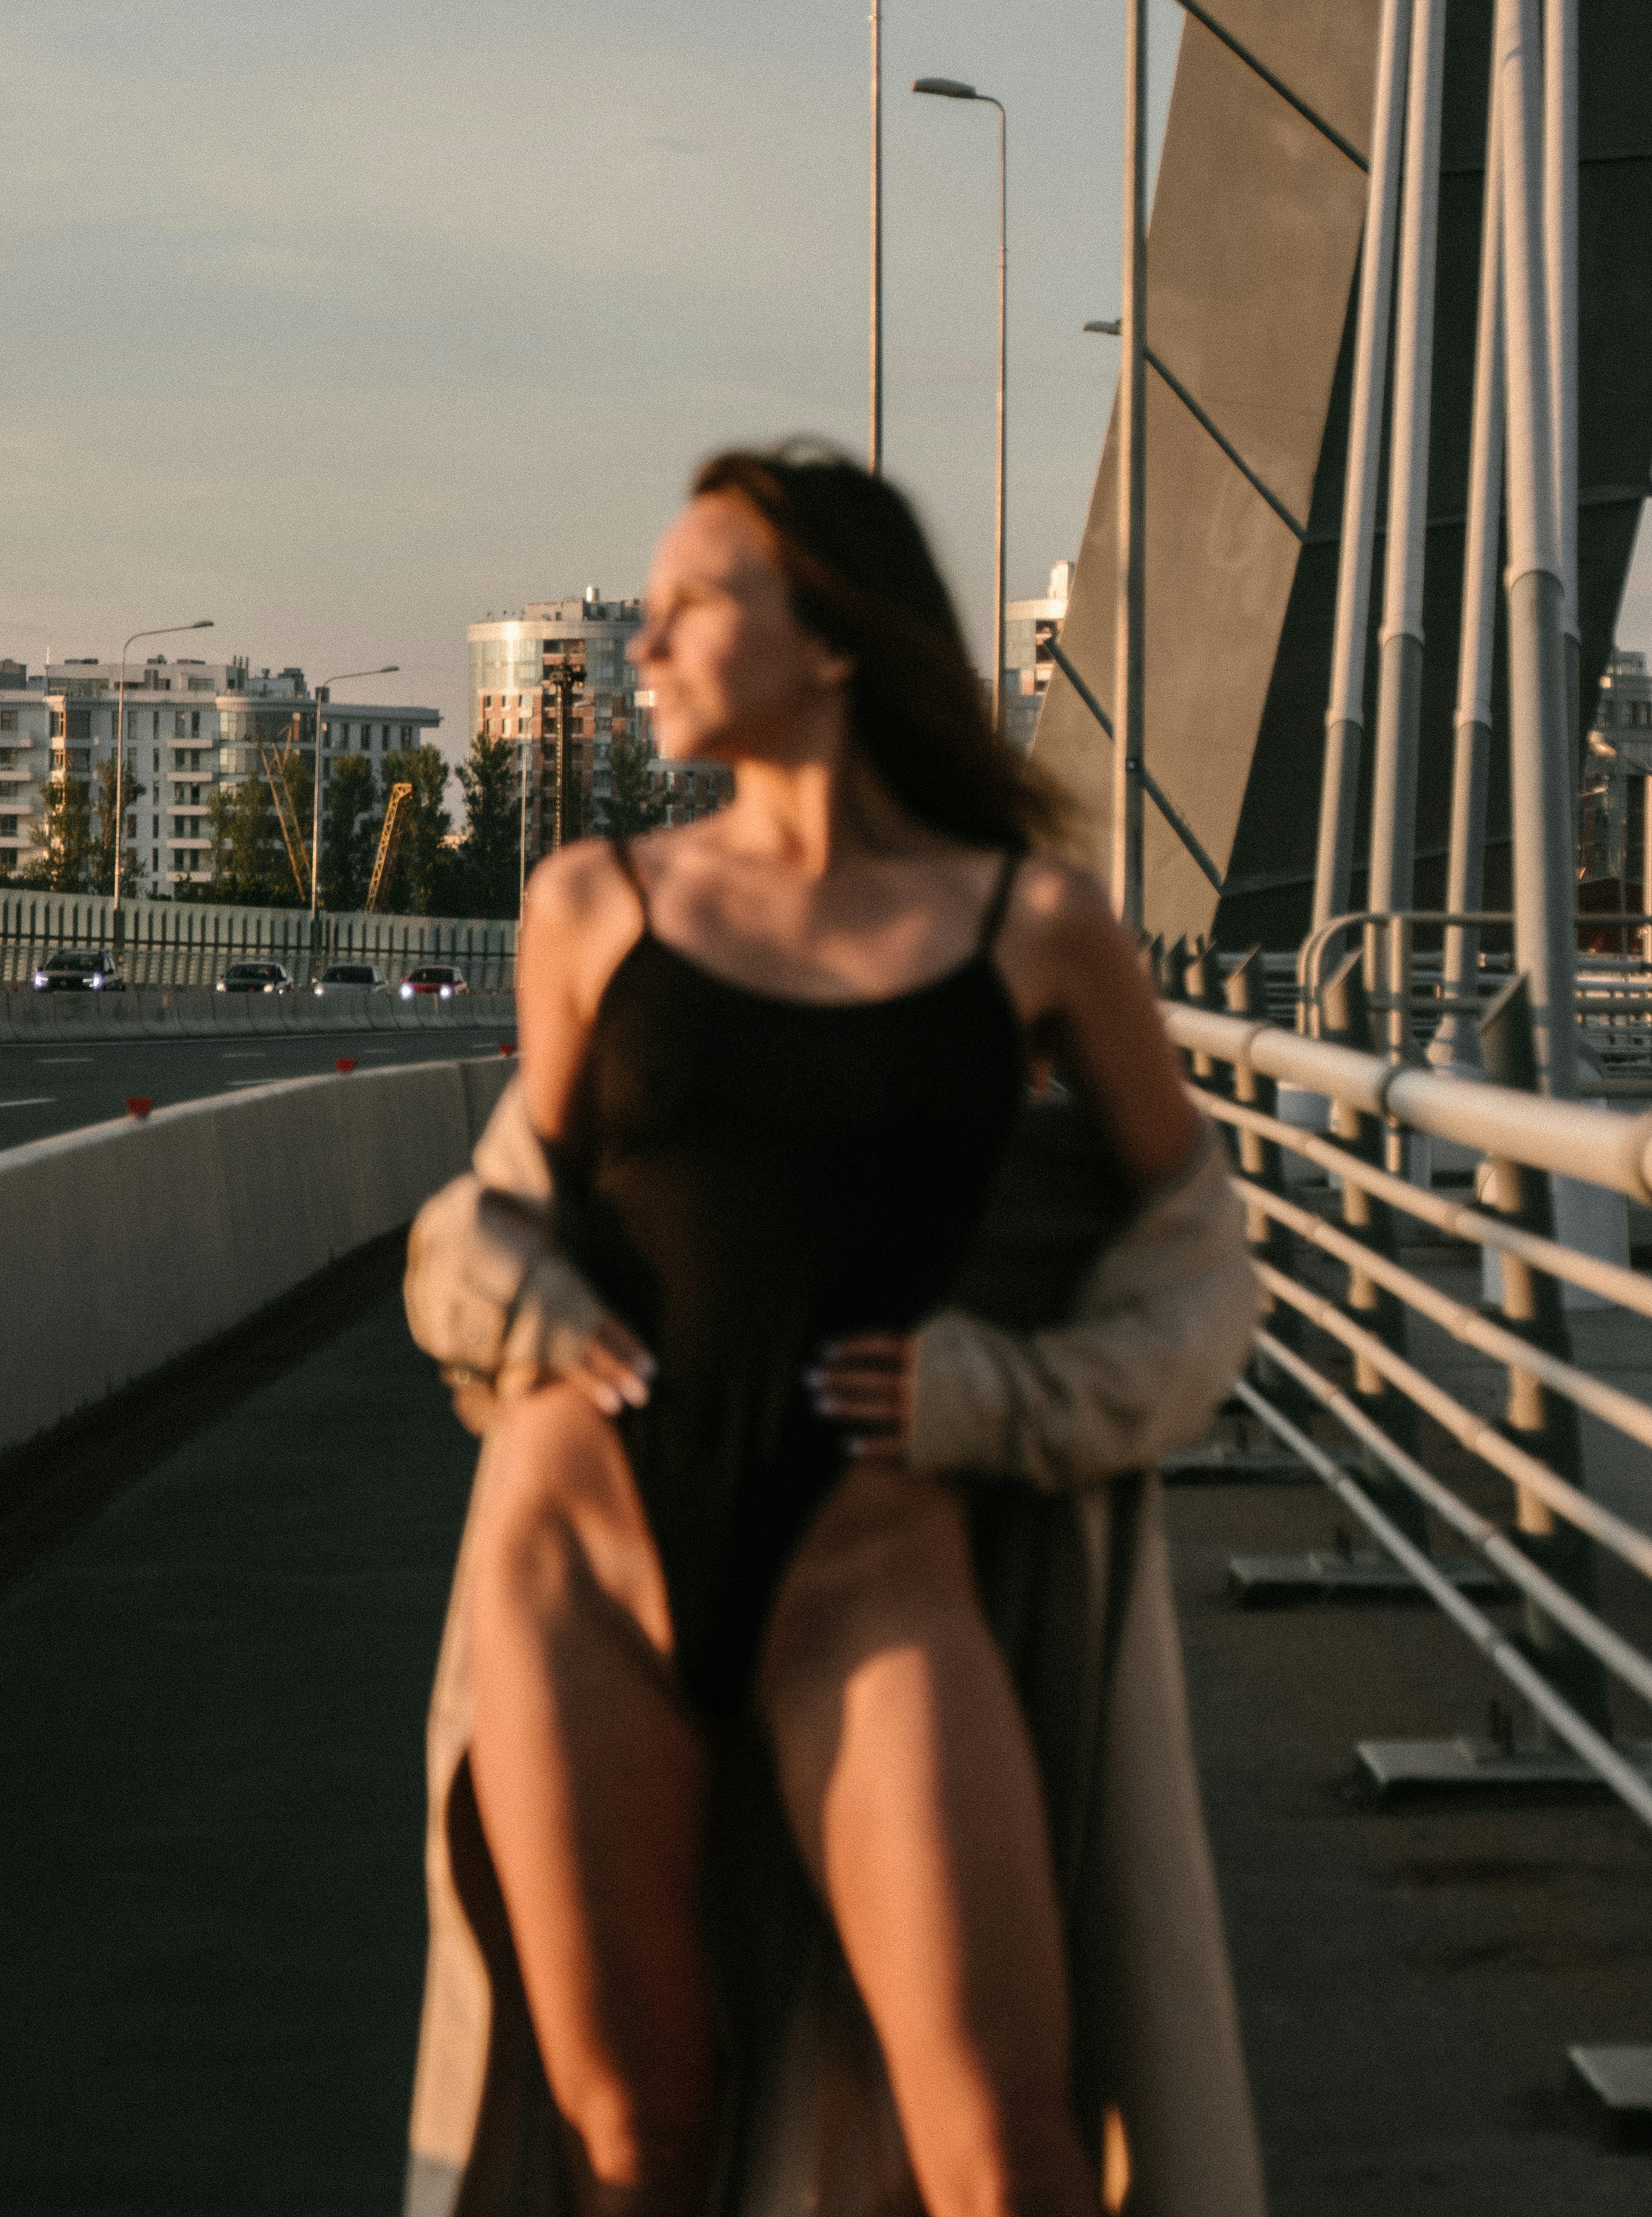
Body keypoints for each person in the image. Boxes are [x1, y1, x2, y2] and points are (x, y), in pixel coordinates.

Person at [401, 444, 1266, 2217]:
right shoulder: (591, 908)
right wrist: (522, 1296)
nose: (644, 643)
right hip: (584, 1556)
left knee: (1007, 2151)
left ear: (839, 639)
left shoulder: (1033, 927)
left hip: (874, 1576)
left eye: (696, 601)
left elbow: (1197, 1253)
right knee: (633, 2137)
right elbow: (504, 1208)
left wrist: (1011, 1396)